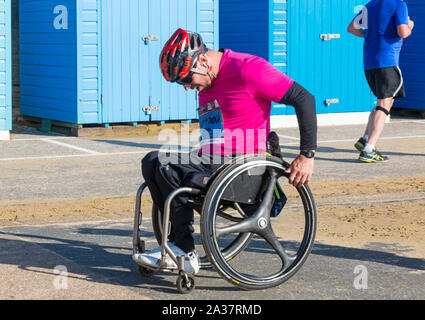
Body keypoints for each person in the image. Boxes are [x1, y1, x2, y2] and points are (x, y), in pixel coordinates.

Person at [133, 28, 317, 274]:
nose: (187, 87)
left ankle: (183, 249)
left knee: (165, 164)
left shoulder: (248, 69)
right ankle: (175, 244)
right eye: (181, 83)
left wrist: (307, 155)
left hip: (241, 170)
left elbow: (304, 98)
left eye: (187, 79)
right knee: (152, 161)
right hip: (212, 162)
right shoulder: (206, 82)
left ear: (203, 61)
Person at [348, 0, 413, 163]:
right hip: (387, 60)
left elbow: (352, 28)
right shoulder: (399, 4)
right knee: (384, 103)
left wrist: (369, 36)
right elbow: (403, 32)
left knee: (384, 102)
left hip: (370, 62)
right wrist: (410, 25)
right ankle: (369, 149)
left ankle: (365, 138)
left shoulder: (370, 5)